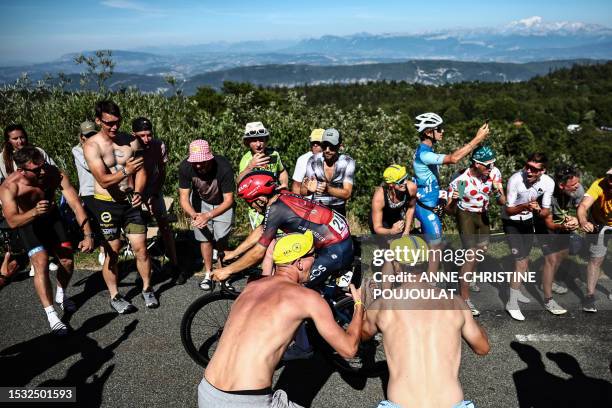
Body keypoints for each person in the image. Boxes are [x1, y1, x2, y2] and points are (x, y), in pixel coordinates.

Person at [201, 230, 363, 408]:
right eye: (313, 255)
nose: (315, 260)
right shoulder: (308, 298)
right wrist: (359, 306)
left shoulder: (251, 287)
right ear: (299, 263)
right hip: (248, 401)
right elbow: (349, 350)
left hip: (207, 390)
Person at [362, 235, 489, 408]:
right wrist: (468, 316)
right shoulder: (455, 302)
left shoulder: (383, 305)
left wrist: (361, 306)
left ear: (397, 266)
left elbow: (360, 336)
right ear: (427, 263)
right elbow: (482, 348)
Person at [0, 146, 94, 334]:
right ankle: (52, 315)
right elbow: (11, 220)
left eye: (43, 166)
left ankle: (61, 293)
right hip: (27, 223)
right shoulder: (10, 186)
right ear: (21, 170)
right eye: (36, 170)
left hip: (52, 220)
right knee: (40, 262)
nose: (42, 171)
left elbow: (75, 204)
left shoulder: (53, 174)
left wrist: (88, 235)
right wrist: (34, 211)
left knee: (67, 261)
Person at [213, 171, 353, 291]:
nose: (252, 208)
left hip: (336, 250)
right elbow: (262, 229)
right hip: (335, 241)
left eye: (250, 203)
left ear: (261, 199)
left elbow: (258, 252)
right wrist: (233, 253)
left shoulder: (276, 210)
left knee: (292, 291)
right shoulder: (280, 196)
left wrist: (227, 271)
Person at [83, 100, 158, 313]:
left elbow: (142, 170)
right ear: (98, 121)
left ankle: (147, 288)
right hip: (106, 205)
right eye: (108, 123)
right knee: (113, 252)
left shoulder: (130, 142)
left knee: (141, 248)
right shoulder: (92, 145)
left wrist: (139, 192)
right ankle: (115, 295)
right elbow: (104, 180)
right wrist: (126, 171)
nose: (114, 127)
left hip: (130, 203)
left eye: (117, 122)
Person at [412, 113, 490, 275]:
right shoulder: (424, 154)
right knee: (436, 247)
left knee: (432, 246)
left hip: (428, 203)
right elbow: (454, 158)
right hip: (427, 208)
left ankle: (421, 279)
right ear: (428, 132)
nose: (443, 131)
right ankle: (430, 288)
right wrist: (477, 139)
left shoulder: (425, 150)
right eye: (438, 129)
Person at [445, 146, 506, 316]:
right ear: (476, 164)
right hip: (466, 215)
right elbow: (449, 210)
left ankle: (467, 273)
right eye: (487, 165)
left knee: (482, 250)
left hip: (482, 214)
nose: (491, 167)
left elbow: (502, 201)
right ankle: (465, 299)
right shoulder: (462, 181)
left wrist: (496, 191)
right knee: (471, 256)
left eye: (493, 163)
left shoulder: (494, 174)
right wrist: (453, 201)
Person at [502, 153, 559, 321]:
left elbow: (546, 211)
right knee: (520, 263)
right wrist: (526, 206)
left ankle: (515, 290)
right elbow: (509, 210)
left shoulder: (549, 182)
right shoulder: (515, 179)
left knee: (524, 260)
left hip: (527, 221)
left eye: (534, 169)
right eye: (527, 166)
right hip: (511, 221)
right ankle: (511, 304)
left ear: (543, 171)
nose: (528, 171)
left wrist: (536, 210)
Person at [2, 124, 59, 277]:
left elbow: (53, 171)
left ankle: (44, 256)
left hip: (39, 196)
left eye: (22, 137)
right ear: (8, 141)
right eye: (15, 138)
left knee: (45, 227)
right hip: (18, 202)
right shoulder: (2, 159)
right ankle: (34, 260)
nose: (20, 141)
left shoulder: (38, 152)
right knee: (25, 230)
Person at [178, 140, 235, 290]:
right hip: (199, 202)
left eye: (202, 162)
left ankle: (224, 274)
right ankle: (208, 273)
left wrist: (209, 215)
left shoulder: (223, 167)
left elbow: (229, 200)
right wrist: (195, 215)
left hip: (222, 203)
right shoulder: (185, 167)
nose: (198, 166)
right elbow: (183, 198)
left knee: (222, 240)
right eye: (195, 163)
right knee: (205, 239)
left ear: (209, 158)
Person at [131, 117, 181, 279]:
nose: (146, 139)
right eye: (142, 135)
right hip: (133, 192)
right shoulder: (127, 147)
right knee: (139, 230)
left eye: (149, 135)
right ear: (134, 134)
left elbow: (162, 171)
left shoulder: (158, 145)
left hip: (153, 189)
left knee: (164, 225)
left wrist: (154, 193)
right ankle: (143, 266)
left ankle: (174, 264)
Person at [537, 165, 584, 308]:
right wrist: (563, 225)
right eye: (573, 185)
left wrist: (577, 219)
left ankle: (547, 281)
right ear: (562, 185)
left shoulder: (578, 189)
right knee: (551, 259)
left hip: (562, 220)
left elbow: (581, 209)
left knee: (561, 255)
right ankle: (548, 300)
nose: (577, 186)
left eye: (578, 182)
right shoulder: (548, 193)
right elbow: (549, 223)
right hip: (543, 221)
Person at [237, 121, 289, 229]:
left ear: (266, 140)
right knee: (260, 237)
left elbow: (282, 171)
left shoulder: (274, 154)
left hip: (276, 203)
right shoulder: (246, 159)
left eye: (261, 139)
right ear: (247, 142)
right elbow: (239, 182)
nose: (258, 144)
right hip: (257, 207)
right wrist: (250, 167)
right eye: (254, 140)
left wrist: (284, 184)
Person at [577, 168, 612, 313]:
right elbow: (583, 206)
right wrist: (583, 221)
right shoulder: (598, 185)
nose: (610, 182)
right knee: (596, 259)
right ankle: (589, 296)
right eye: (610, 178)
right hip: (599, 223)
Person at [72, 120, 106, 265]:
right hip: (88, 191)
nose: (90, 137)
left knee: (105, 221)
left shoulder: (103, 147)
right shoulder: (77, 150)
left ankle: (107, 248)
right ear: (82, 137)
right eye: (87, 136)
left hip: (104, 188)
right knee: (98, 222)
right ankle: (102, 250)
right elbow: (88, 165)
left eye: (93, 134)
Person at [300, 128, 355, 216]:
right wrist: (310, 190)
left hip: (338, 209)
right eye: (324, 145)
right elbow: (302, 190)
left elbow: (347, 193)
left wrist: (328, 189)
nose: (327, 150)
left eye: (332, 146)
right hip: (317, 208)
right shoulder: (313, 160)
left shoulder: (348, 162)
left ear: (339, 146)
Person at [369, 164, 416, 235]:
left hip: (395, 217)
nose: (405, 182)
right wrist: (391, 231)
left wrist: (407, 230)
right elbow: (377, 228)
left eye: (406, 178)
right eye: (401, 181)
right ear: (391, 184)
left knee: (400, 243)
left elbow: (411, 208)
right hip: (381, 222)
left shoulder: (411, 188)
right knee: (386, 245)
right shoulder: (379, 197)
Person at [291, 128, 324, 195]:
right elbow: (296, 186)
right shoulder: (303, 159)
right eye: (313, 142)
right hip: (308, 202)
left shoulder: (333, 158)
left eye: (318, 143)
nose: (315, 145)